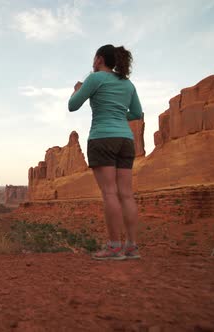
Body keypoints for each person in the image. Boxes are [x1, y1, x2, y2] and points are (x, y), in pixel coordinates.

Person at [68, 44, 143, 260]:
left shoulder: (95, 78)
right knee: (126, 194)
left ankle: (114, 247)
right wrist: (119, 116)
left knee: (110, 193)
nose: (93, 62)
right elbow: (137, 112)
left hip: (102, 138)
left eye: (94, 58)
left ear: (100, 59)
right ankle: (131, 246)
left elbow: (73, 106)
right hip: (126, 141)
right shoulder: (128, 84)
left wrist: (76, 89)